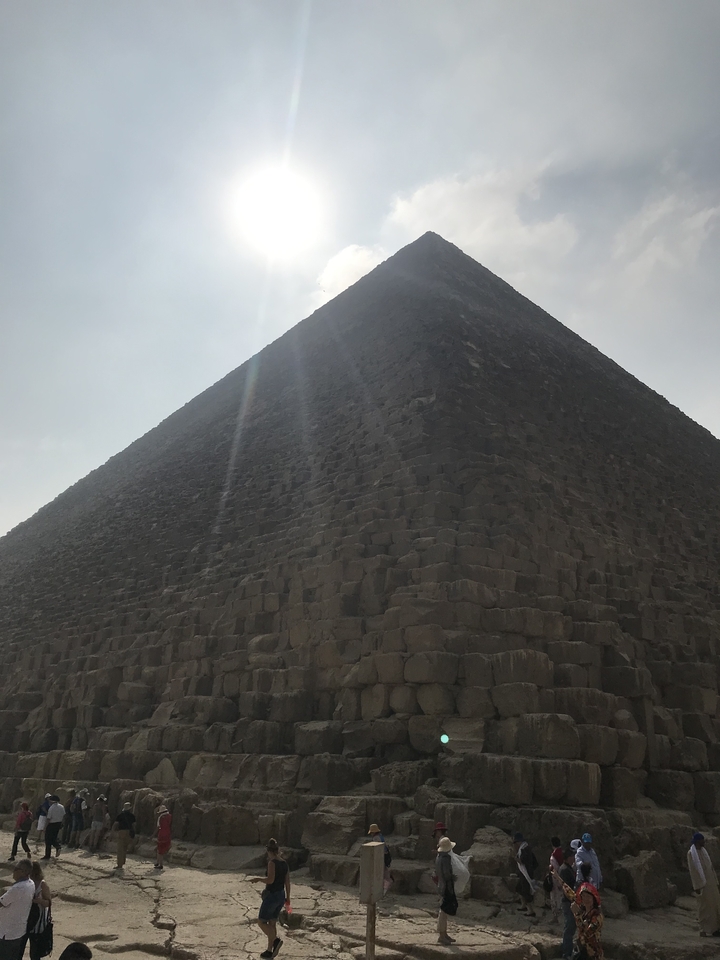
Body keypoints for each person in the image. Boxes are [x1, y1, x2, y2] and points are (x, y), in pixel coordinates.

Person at [249, 838, 290, 959]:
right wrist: (288, 898)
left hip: (272, 895)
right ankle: (269, 950)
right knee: (272, 923)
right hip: (281, 895)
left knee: (261, 922)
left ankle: (276, 941)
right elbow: (287, 882)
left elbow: (270, 880)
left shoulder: (272, 863)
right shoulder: (284, 863)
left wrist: (258, 879)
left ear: (269, 851)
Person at [553, 862, 604, 959]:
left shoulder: (597, 916)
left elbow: (588, 933)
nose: (586, 899)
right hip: (582, 950)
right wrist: (557, 877)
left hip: (593, 954)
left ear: (594, 899)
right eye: (583, 896)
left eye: (589, 897)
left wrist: (577, 915)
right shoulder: (583, 909)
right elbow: (570, 893)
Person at [0, 858, 35, 960]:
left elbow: (2, 902)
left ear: (23, 872)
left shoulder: (17, 888)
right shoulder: (31, 884)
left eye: (16, 869)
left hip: (7, 933)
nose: (13, 871)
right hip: (19, 931)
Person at [687, 832, 720, 937]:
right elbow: (693, 871)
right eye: (702, 841)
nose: (704, 843)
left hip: (711, 884)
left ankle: (714, 929)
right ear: (698, 842)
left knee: (715, 907)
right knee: (704, 908)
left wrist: (716, 882)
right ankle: (704, 929)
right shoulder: (691, 854)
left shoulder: (704, 852)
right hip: (702, 885)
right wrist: (697, 886)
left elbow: (710, 867)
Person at [27, 861, 52, 960]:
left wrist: (39, 901)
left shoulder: (42, 884)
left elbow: (49, 903)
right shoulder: (26, 882)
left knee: (35, 950)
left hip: (38, 920)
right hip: (27, 918)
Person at [435, 835, 457, 945]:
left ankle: (444, 933)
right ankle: (442, 935)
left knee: (443, 910)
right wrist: (454, 877)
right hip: (446, 886)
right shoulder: (446, 859)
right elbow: (447, 874)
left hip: (440, 885)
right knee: (444, 911)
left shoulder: (438, 857)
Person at [557, 849, 577, 960]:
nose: (573, 858)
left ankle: (568, 950)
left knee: (572, 927)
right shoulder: (564, 870)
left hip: (570, 901)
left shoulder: (568, 868)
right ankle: (566, 953)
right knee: (569, 927)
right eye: (571, 856)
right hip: (568, 901)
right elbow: (566, 887)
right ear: (567, 858)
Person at [514, 833, 539, 917]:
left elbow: (522, 861)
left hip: (526, 873)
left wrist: (516, 859)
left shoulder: (524, 850)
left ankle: (530, 911)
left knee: (525, 891)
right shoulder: (526, 848)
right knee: (519, 888)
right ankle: (523, 905)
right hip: (525, 872)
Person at [367, 824, 392, 893]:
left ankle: (384, 889)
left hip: (380, 857)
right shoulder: (381, 836)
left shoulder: (375, 838)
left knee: (382, 874)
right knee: (385, 872)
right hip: (385, 856)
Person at [113, 802, 137, 870]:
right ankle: (123, 861)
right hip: (129, 832)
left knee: (120, 848)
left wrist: (112, 832)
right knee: (125, 848)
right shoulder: (132, 816)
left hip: (121, 832)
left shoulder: (120, 815)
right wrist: (133, 832)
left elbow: (116, 824)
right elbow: (134, 825)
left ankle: (119, 864)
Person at [43, 796, 65, 861]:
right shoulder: (61, 807)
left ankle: (47, 855)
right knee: (54, 837)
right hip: (58, 824)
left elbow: (48, 818)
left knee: (48, 840)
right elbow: (63, 815)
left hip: (51, 824)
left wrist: (45, 827)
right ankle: (57, 846)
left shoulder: (51, 808)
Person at [549, 836, 564, 923]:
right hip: (564, 878)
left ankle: (555, 917)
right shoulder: (563, 852)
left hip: (556, 878)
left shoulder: (554, 855)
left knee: (555, 897)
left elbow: (553, 868)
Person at [153, 805, 172, 869]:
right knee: (162, 849)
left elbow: (158, 827)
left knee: (159, 850)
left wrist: (152, 835)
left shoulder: (161, 818)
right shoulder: (169, 816)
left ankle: (160, 864)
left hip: (161, 834)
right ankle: (158, 862)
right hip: (168, 833)